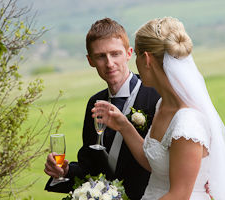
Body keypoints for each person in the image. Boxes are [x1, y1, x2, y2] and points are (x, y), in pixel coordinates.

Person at [93, 17, 225, 200]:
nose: (135, 62)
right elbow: (154, 163)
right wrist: (123, 126)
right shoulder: (163, 105)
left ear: (146, 59)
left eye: (137, 55)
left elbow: (178, 195)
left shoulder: (187, 123)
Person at [44, 18, 161, 200]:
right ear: (90, 60)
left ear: (129, 53)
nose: (109, 63)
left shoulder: (156, 96)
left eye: (115, 54)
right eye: (100, 56)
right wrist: (64, 171)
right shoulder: (94, 103)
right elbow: (89, 166)